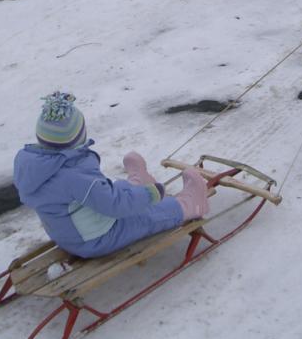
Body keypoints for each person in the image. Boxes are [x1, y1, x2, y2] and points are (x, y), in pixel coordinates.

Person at [13, 91, 209, 258]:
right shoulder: (74, 176)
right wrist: (152, 194)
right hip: (99, 239)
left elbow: (99, 194)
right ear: (78, 138)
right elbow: (114, 205)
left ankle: (137, 184)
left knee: (111, 189)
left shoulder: (32, 165)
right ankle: (190, 204)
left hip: (68, 236)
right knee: (145, 216)